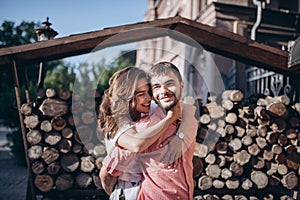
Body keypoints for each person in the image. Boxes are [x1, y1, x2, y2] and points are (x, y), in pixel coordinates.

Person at [100, 62, 198, 200]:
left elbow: (189, 108)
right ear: (128, 96)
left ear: (181, 85)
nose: (149, 98)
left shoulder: (182, 116)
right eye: (142, 94)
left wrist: (179, 137)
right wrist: (114, 194)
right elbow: (107, 172)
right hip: (129, 192)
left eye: (148, 92)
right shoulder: (137, 127)